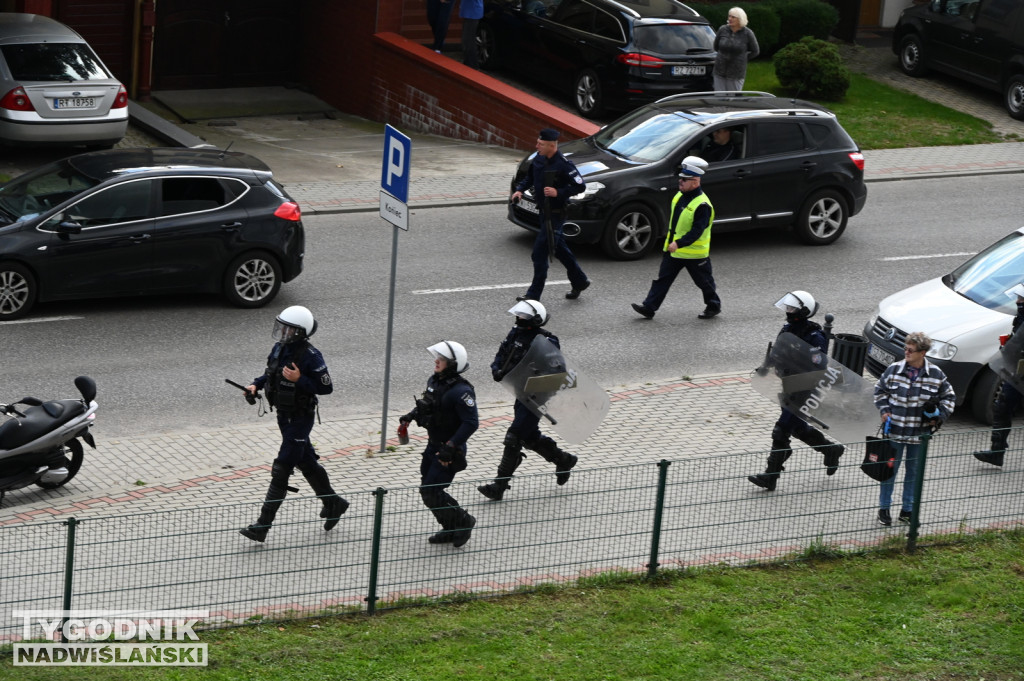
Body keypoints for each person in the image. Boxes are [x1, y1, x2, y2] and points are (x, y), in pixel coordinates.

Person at [240, 306, 348, 542]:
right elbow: (271, 373)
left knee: (282, 467)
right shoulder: (280, 348)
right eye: (281, 326)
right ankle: (334, 503)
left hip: (300, 417)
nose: (283, 331)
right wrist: (254, 385)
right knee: (305, 460)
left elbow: (326, 387)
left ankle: (262, 526)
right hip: (283, 415)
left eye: (288, 328)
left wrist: (300, 379)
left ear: (299, 332)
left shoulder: (311, 356)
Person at [478, 300, 578, 501]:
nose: (519, 319)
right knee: (529, 436)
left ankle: (499, 485)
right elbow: (503, 353)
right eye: (519, 316)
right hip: (520, 391)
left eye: (524, 317)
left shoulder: (546, 340)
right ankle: (564, 460)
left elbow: (557, 371)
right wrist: (496, 369)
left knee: (514, 437)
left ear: (535, 319)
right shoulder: (516, 333)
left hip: (537, 395)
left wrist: (536, 377)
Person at [747, 291, 846, 491]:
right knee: (797, 428)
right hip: (789, 384)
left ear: (803, 311)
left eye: (792, 309)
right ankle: (831, 450)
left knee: (781, 429)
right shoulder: (788, 329)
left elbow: (817, 364)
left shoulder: (814, 336)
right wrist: (766, 366)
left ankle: (771, 476)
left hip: (806, 387)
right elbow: (778, 351)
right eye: (788, 308)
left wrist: (794, 362)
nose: (788, 311)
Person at [400, 341, 478, 547]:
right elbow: (428, 404)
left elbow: (471, 423)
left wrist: (450, 447)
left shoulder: (461, 391)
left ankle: (463, 521)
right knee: (428, 490)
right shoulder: (435, 381)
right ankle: (450, 527)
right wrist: (411, 415)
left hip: (449, 450)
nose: (436, 361)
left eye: (441, 359)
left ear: (452, 364)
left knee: (431, 490)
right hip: (433, 445)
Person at [873, 331, 955, 526]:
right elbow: (879, 391)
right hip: (895, 433)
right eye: (905, 348)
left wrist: (939, 417)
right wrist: (884, 411)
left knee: (914, 473)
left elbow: (950, 397)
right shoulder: (893, 370)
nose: (906, 352)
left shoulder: (936, 374)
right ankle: (884, 509)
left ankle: (907, 510)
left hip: (920, 437)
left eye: (911, 350)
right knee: (889, 471)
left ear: (923, 352)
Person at [631, 156, 721, 321]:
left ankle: (714, 305)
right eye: (680, 178)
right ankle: (649, 308)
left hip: (694, 254)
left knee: (704, 283)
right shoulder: (680, 196)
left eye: (684, 180)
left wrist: (679, 243)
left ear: (695, 182)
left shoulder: (702, 205)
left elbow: (697, 231)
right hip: (673, 251)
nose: (680, 181)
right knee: (662, 280)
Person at [511, 128, 592, 302]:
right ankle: (580, 280)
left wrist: (559, 192)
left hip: (556, 215)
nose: (536, 146)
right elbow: (530, 178)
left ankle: (533, 296)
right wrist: (519, 190)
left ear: (551, 145)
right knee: (560, 249)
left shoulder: (563, 165)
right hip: (543, 212)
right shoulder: (539, 158)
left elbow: (580, 186)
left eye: (540, 144)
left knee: (539, 253)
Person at [973, 283, 1024, 466]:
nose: (1018, 301)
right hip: (1017, 373)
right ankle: (997, 451)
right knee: (1002, 406)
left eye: (1021, 298)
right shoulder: (1020, 317)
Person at [713, 7, 759, 91]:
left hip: (736, 73)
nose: (730, 18)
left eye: (733, 17)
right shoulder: (722, 29)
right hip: (719, 70)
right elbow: (716, 46)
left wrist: (743, 58)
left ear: (740, 19)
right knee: (719, 99)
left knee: (733, 99)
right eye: (729, 16)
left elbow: (755, 51)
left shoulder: (748, 33)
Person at [460, 0, 484, 69]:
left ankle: (472, 64)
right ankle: (468, 62)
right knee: (467, 40)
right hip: (469, 11)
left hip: (473, 12)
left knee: (468, 40)